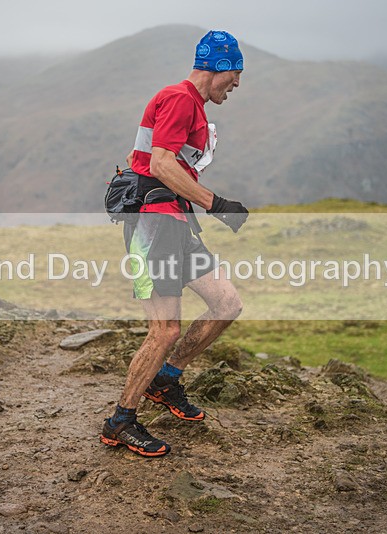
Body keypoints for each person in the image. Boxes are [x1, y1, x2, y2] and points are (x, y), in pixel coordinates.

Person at [100, 30, 250, 457]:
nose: (237, 84)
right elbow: (161, 163)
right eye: (235, 74)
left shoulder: (195, 106)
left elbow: (167, 162)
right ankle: (120, 423)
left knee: (226, 304)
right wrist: (216, 203)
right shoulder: (180, 98)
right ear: (219, 67)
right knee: (164, 329)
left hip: (177, 222)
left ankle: (165, 380)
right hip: (153, 224)